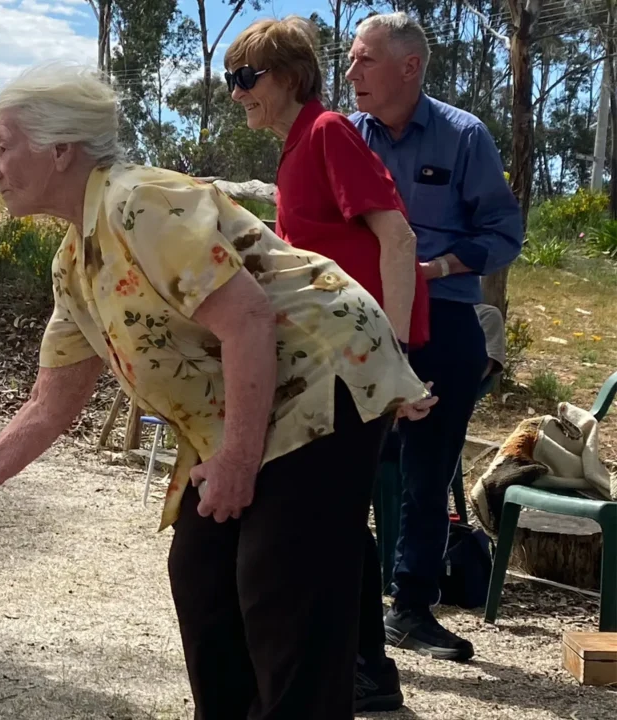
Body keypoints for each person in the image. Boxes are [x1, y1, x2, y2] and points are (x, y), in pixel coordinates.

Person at [0, 63, 436, 720]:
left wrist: (235, 459)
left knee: (280, 583)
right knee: (202, 577)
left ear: (61, 149)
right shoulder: (77, 259)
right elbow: (50, 404)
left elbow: (249, 317)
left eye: (5, 146)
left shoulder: (138, 201)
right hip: (252, 400)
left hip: (326, 376)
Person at [223, 15, 430, 712]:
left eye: (246, 78)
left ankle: (347, 681)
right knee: (336, 530)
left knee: (321, 532)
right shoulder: (294, 147)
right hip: (324, 367)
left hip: (356, 366)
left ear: (288, 77)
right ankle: (359, 678)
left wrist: (391, 362)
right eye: (231, 79)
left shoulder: (327, 132)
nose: (236, 93)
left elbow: (397, 239)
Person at [346, 11, 524, 661]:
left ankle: (411, 608)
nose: (351, 72)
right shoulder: (346, 138)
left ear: (409, 66)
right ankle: (338, 604)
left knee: (427, 475)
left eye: (365, 59)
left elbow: (505, 233)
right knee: (343, 464)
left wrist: (439, 267)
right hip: (358, 320)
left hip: (444, 316)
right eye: (350, 58)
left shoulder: (463, 136)